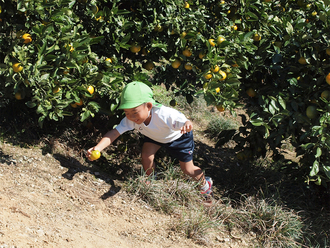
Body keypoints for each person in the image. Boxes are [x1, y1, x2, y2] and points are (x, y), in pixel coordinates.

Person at [86, 81, 213, 198]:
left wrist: (187, 124)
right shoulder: (131, 119)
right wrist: (98, 148)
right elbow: (114, 133)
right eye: (127, 112)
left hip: (178, 138)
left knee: (188, 170)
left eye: (134, 112)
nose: (131, 117)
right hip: (155, 137)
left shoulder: (164, 115)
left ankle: (205, 185)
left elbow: (183, 120)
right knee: (146, 155)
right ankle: (151, 181)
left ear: (149, 106)